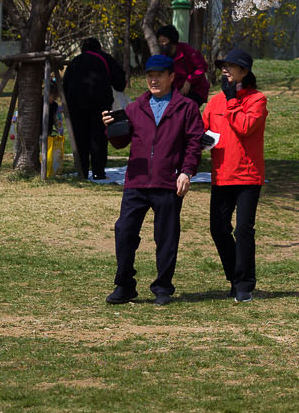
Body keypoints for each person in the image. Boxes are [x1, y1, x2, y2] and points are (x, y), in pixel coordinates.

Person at [104, 52, 204, 305]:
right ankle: (125, 285)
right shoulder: (134, 108)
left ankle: (163, 287)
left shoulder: (187, 108)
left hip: (168, 181)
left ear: (172, 77)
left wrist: (186, 171)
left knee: (167, 236)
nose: (153, 80)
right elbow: (120, 142)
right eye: (149, 75)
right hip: (136, 182)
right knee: (124, 231)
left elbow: (194, 143)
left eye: (159, 75)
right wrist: (111, 128)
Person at [202, 47, 268, 302]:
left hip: (248, 177)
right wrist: (201, 140)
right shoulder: (215, 101)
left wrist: (232, 102)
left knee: (243, 230)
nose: (225, 70)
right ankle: (234, 276)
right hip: (222, 174)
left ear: (244, 71)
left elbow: (245, 127)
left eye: (230, 66)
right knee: (218, 229)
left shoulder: (257, 100)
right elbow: (203, 129)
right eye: (223, 66)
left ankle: (244, 283)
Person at [59, 37, 128, 181]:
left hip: (76, 103)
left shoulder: (75, 61)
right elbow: (120, 83)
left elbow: (64, 85)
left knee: (80, 137)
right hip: (100, 103)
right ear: (100, 47)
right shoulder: (105, 58)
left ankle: (82, 170)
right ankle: (98, 171)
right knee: (99, 136)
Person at [155, 22, 211, 106]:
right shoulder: (164, 56)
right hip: (176, 92)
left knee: (184, 111)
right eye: (159, 42)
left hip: (195, 91)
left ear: (172, 40)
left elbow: (201, 67)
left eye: (163, 41)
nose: (161, 45)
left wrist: (188, 82)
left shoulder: (187, 51)